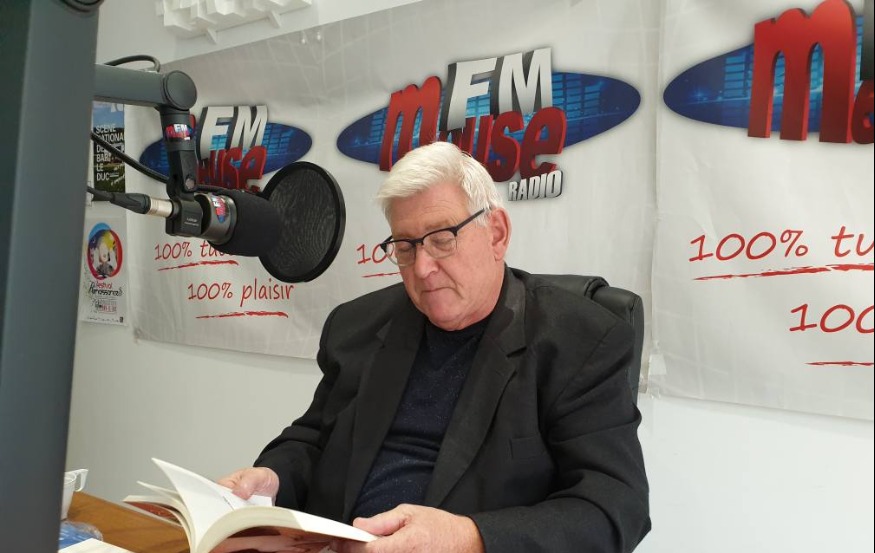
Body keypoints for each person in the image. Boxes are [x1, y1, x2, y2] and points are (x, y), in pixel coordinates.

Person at [218, 142, 650, 552]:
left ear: (497, 234)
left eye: (442, 238)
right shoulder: (356, 327)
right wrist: (274, 476)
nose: (423, 268)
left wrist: (468, 538)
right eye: (405, 246)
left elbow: (613, 509)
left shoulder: (580, 340)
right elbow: (314, 440)